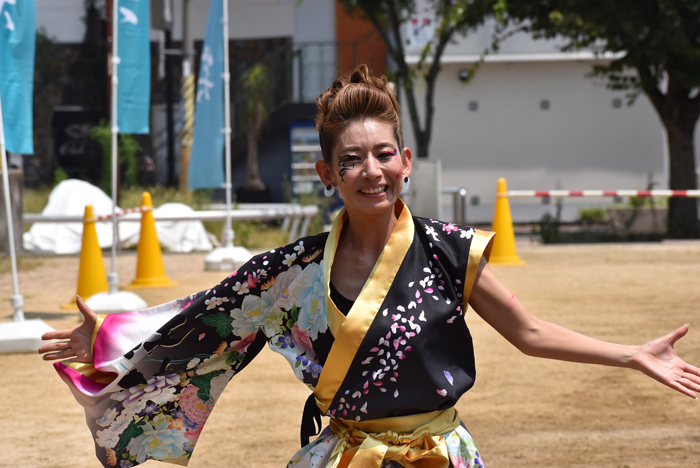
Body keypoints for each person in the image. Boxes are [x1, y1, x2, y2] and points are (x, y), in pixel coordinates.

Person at [39, 65, 699, 468]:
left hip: (442, 455)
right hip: (347, 456)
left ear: (405, 162)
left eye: (383, 155)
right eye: (351, 160)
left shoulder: (448, 249)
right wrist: (108, 344)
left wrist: (631, 355)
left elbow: (528, 332)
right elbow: (208, 318)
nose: (371, 171)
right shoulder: (292, 270)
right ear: (327, 174)